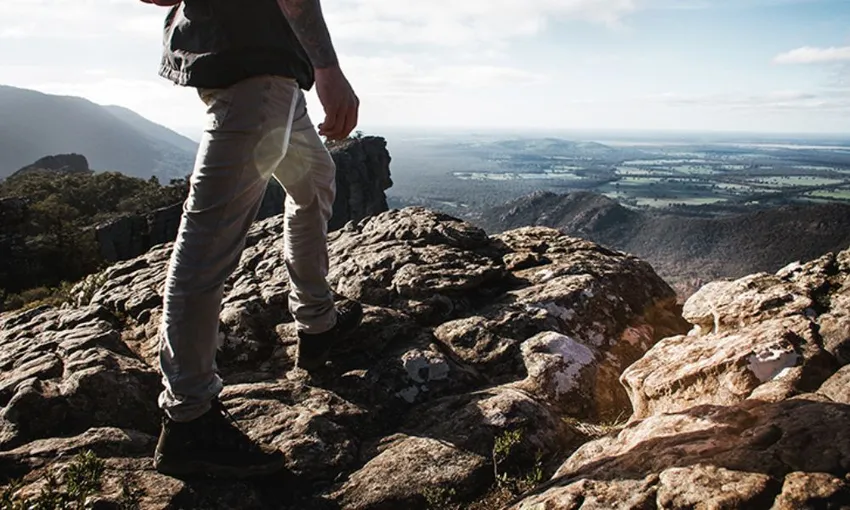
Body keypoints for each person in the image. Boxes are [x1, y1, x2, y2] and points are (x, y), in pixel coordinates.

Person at [140, 0, 363, 479]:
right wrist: (328, 69)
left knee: (315, 179)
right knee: (207, 242)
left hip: (259, 67)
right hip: (256, 66)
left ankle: (317, 323)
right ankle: (189, 416)